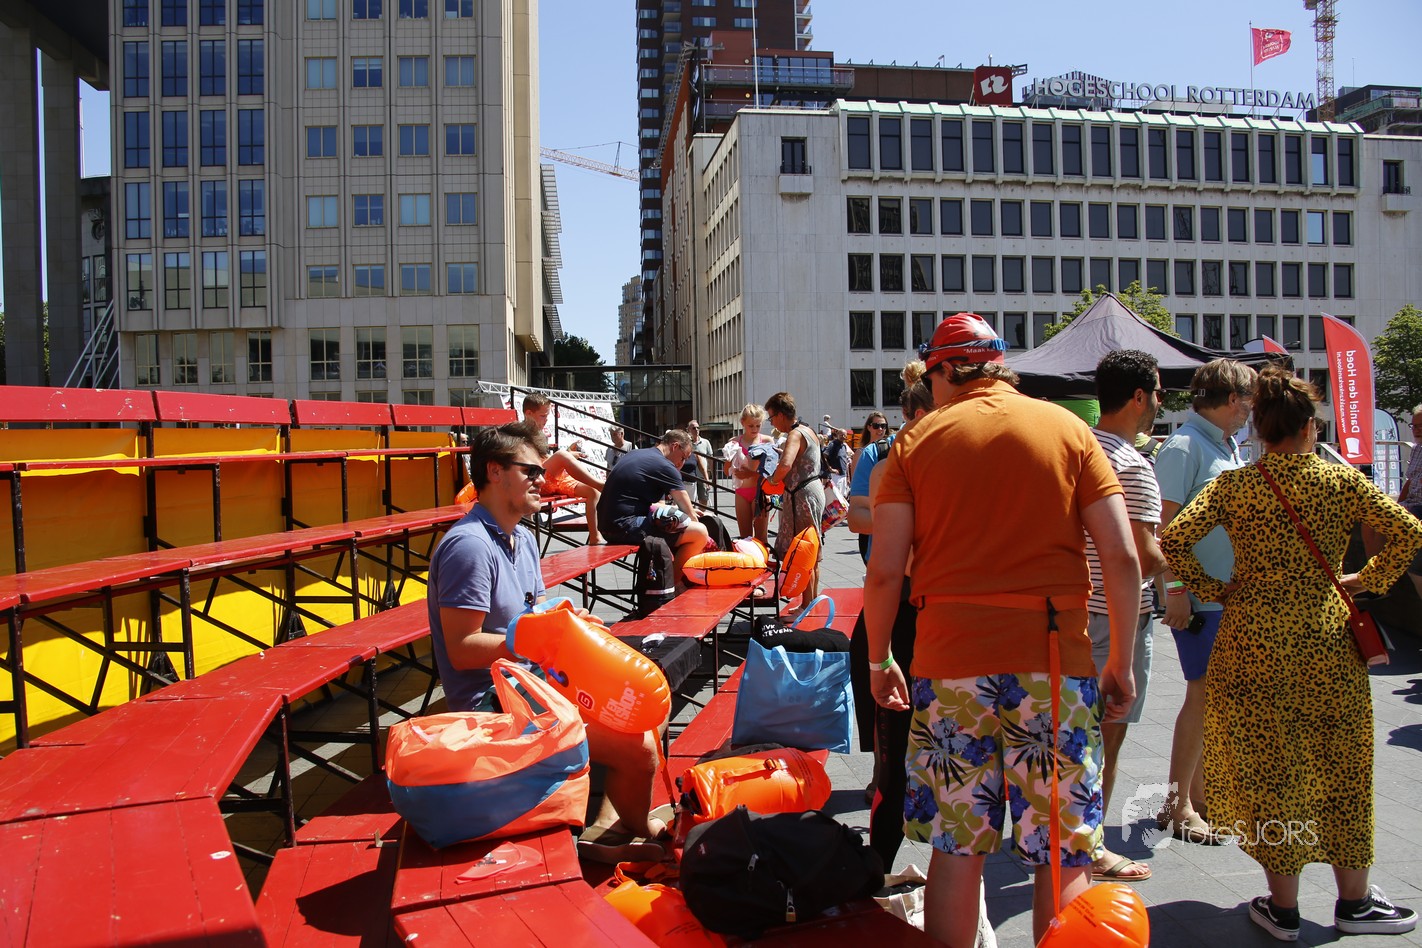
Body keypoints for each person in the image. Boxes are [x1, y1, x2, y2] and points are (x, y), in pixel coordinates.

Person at [866, 313, 1141, 947]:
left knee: (957, 847)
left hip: (950, 663)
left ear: (944, 370)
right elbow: (1122, 557)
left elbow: (883, 573)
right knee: (1061, 851)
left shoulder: (915, 442)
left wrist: (880, 660)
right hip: (1054, 661)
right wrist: (1119, 661)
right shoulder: (1068, 429)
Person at [1161, 367, 1422, 941]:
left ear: (1259, 428)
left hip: (1252, 637)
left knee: (1272, 769)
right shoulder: (1340, 480)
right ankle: (1354, 902)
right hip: (1326, 638)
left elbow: (1173, 537)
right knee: (1342, 766)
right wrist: (1366, 580)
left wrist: (1213, 587)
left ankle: (1283, 908)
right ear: (1308, 427)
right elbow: (1408, 531)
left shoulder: (1237, 485)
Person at [426, 421, 667, 855]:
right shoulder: (469, 546)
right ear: (494, 471)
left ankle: (608, 822)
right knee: (640, 746)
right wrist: (539, 636)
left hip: (532, 681)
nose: (546, 480)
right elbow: (462, 650)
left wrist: (568, 623)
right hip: (493, 704)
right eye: (532, 471)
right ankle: (638, 830)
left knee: (645, 709)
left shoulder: (520, 536)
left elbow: (535, 616)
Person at [1152, 358, 1257, 843]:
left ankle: (1199, 796)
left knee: (1212, 699)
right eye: (1249, 400)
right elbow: (1160, 529)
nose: (1252, 410)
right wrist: (1174, 591)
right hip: (1199, 600)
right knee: (1202, 697)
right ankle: (1178, 806)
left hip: (1221, 598)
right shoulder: (1185, 446)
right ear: (1233, 399)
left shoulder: (1219, 443)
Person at [1084, 350, 1170, 884]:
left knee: (1071, 734)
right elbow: (1141, 555)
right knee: (1105, 739)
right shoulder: (1133, 465)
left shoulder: (1077, 448)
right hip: (1114, 617)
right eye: (1158, 392)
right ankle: (1091, 847)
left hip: (1072, 609)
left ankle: (1063, 836)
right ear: (1139, 397)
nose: (1161, 402)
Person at [848, 363, 934, 868]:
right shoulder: (886, 459)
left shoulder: (905, 461)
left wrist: (878, 660)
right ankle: (883, 858)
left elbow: (892, 566)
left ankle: (879, 861)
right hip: (917, 605)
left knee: (901, 736)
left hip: (917, 607)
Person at [598, 428, 710, 590]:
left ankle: (668, 580)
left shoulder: (636, 454)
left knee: (679, 526)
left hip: (606, 524)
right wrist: (704, 536)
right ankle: (673, 587)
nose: (683, 463)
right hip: (624, 526)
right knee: (699, 533)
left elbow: (649, 502)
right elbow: (688, 512)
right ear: (675, 446)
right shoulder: (666, 466)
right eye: (683, 457)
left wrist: (675, 510)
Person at [764, 392, 825, 611]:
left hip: (802, 495)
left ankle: (806, 606)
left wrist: (771, 481)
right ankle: (811, 602)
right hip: (811, 490)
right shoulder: (808, 430)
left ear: (781, 415)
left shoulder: (794, 434)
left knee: (803, 550)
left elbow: (785, 465)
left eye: (771, 417)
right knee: (811, 549)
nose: (771, 422)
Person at [522, 393, 606, 544]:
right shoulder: (519, 433)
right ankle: (601, 485)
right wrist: (564, 455)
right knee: (561, 455)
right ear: (528, 414)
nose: (546, 420)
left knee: (592, 492)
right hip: (537, 479)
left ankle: (595, 536)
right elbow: (531, 462)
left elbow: (545, 458)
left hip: (553, 479)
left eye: (547, 416)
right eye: (543, 416)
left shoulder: (540, 434)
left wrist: (569, 453)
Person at [723, 404, 775, 545]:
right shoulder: (734, 442)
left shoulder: (766, 441)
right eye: (750, 426)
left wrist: (750, 474)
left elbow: (771, 472)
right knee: (744, 538)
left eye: (758, 426)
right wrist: (730, 456)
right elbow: (726, 471)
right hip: (741, 492)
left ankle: (762, 559)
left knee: (761, 539)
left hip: (760, 492)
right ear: (742, 423)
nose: (754, 429)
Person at [1397, 405, 1422, 600]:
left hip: (1419, 508)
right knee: (1371, 522)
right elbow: (1410, 480)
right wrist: (1395, 506)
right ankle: (1378, 582)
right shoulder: (1416, 449)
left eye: (1421, 426)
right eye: (1414, 426)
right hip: (1412, 504)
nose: (1416, 430)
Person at [683, 420, 712, 508]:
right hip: (689, 477)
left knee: (704, 501)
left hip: (702, 476)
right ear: (688, 430)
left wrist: (710, 476)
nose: (696, 430)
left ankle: (698, 514)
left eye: (698, 428)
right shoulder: (686, 443)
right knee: (690, 503)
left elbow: (710, 459)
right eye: (693, 428)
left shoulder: (705, 442)